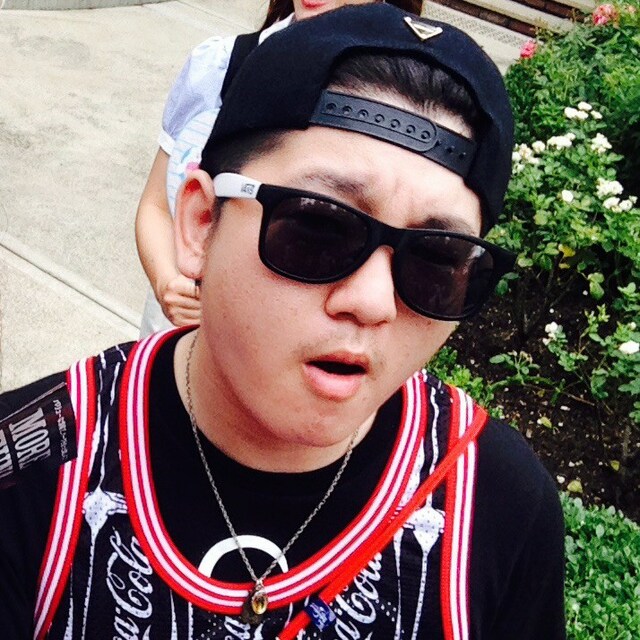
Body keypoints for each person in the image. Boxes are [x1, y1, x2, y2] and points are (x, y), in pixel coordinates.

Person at [0, 5, 565, 639]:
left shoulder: (497, 505)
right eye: (318, 226)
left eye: (436, 260)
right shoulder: (31, 473)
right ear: (200, 225)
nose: (374, 302)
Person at [135, 0, 422, 336]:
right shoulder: (218, 67)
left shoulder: (403, 109)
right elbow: (156, 205)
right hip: (171, 337)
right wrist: (166, 281)